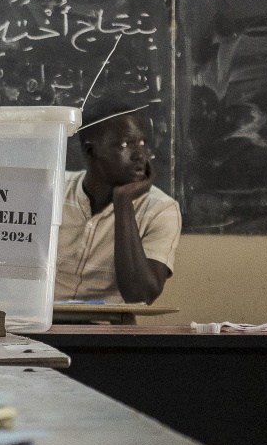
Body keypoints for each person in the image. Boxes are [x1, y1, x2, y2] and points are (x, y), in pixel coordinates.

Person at [54, 106, 180, 304]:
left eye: (142, 143)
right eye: (124, 144)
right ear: (90, 151)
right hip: (41, 319)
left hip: (107, 321)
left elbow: (140, 295)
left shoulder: (161, 209)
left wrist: (123, 202)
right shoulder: (52, 190)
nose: (140, 155)